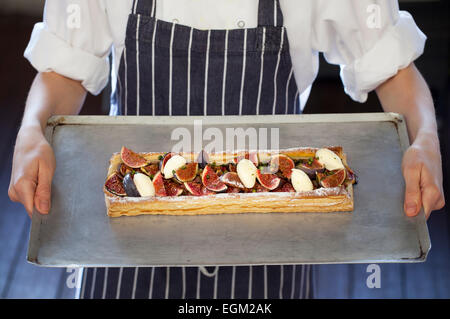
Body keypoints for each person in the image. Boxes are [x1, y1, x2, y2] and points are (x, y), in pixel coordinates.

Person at [9, 0, 444, 299]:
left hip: (273, 241)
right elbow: (64, 70)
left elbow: (395, 70)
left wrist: (424, 137)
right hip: (127, 244)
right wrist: (32, 129)